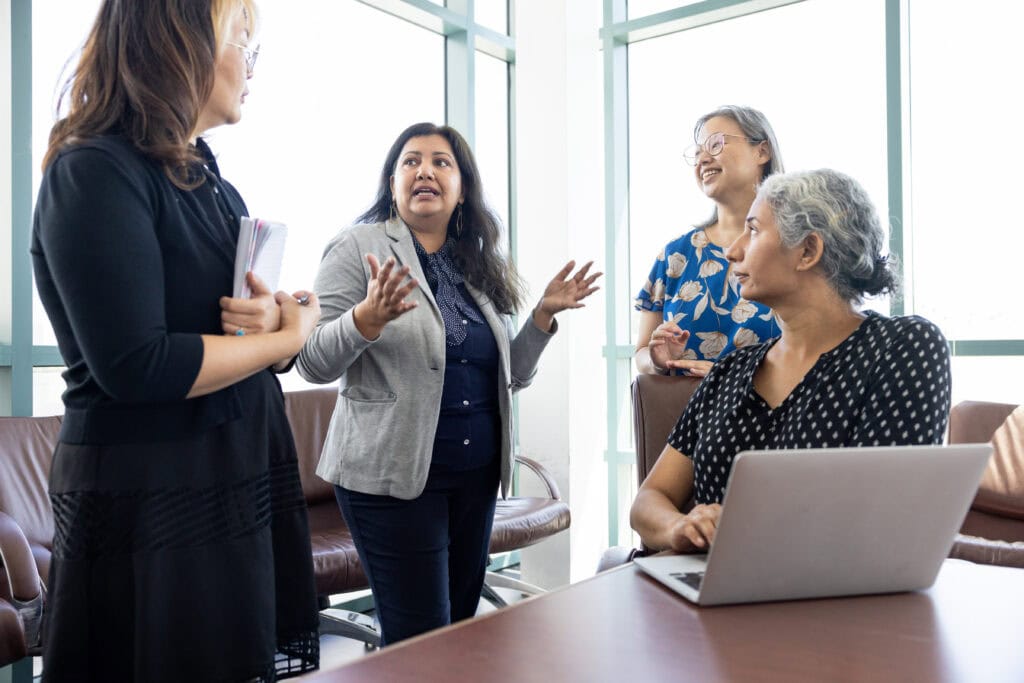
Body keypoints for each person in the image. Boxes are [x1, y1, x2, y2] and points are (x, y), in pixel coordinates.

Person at [30, 1, 322, 680]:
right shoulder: (94, 171)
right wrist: (290, 335)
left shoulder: (211, 182)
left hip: (231, 475)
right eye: (241, 44)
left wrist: (282, 322)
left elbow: (237, 334)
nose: (251, 67)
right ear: (181, 43)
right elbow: (139, 363)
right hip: (151, 499)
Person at [296, 122, 600, 646]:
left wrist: (543, 317)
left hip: (475, 479)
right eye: (410, 161)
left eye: (441, 162)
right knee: (419, 639)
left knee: (458, 632)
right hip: (390, 479)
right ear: (392, 184)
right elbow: (312, 361)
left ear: (462, 188)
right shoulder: (358, 247)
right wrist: (366, 319)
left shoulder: (477, 262)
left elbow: (513, 378)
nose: (425, 171)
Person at [630, 169, 951, 553]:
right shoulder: (731, 371)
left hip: (832, 601)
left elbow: (884, 519)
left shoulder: (903, 348)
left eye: (753, 230)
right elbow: (648, 502)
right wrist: (679, 528)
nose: (733, 251)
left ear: (808, 251)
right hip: (708, 589)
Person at [635, 105, 784, 377]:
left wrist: (727, 379)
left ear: (761, 151)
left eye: (715, 144)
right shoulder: (674, 256)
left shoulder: (792, 248)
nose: (702, 159)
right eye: (697, 152)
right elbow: (642, 355)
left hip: (773, 417)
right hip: (687, 417)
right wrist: (658, 360)